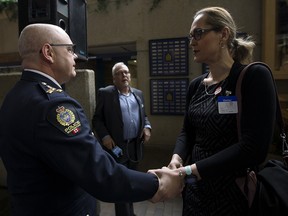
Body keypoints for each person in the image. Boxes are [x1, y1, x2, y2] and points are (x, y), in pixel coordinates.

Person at [0, 23, 184, 216]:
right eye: (70, 49)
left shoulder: (14, 96)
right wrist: (158, 184)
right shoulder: (52, 105)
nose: (76, 56)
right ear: (48, 52)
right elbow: (100, 174)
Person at [167, 7, 277, 216]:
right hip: (196, 194)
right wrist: (177, 158)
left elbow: (254, 148)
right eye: (191, 36)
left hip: (234, 194)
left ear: (223, 34)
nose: (192, 42)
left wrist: (190, 171)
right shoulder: (197, 86)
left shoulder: (253, 77)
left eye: (198, 33)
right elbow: (187, 132)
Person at [92, 62, 151, 216]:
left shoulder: (138, 94)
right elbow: (97, 119)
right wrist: (105, 136)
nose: (124, 75)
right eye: (119, 73)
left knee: (130, 184)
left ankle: (129, 213)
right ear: (114, 79)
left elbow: (144, 117)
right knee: (120, 185)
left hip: (135, 147)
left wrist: (147, 127)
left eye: (126, 72)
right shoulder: (106, 93)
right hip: (116, 147)